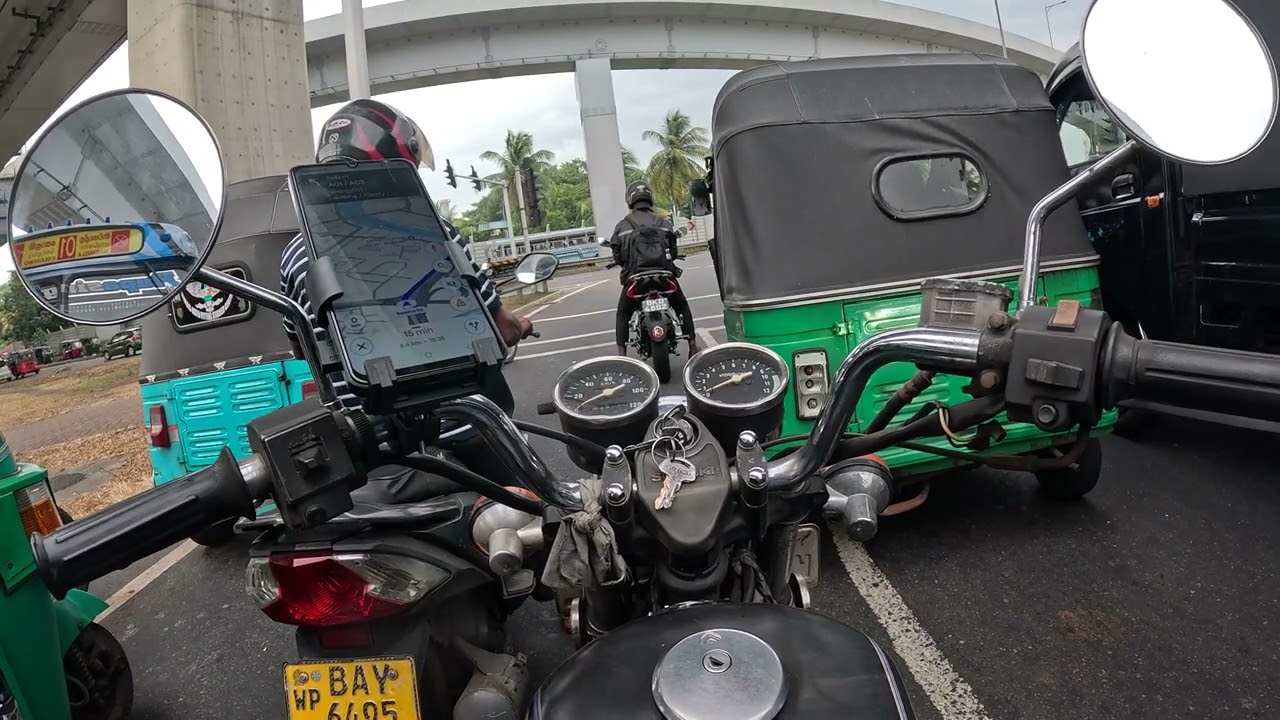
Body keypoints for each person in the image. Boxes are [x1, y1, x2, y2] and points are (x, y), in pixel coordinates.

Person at [279, 98, 534, 502]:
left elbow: (303, 351)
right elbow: (500, 330)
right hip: (464, 427)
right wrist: (519, 325)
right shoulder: (437, 232)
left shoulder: (293, 255)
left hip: (368, 443)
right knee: (543, 509)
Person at [609, 181, 698, 357]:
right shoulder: (663, 222)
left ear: (630, 200)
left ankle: (622, 354)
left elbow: (618, 257)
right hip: (664, 277)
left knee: (623, 314)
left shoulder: (622, 226)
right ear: (650, 198)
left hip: (636, 279)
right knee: (681, 305)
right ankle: (693, 346)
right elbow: (673, 253)